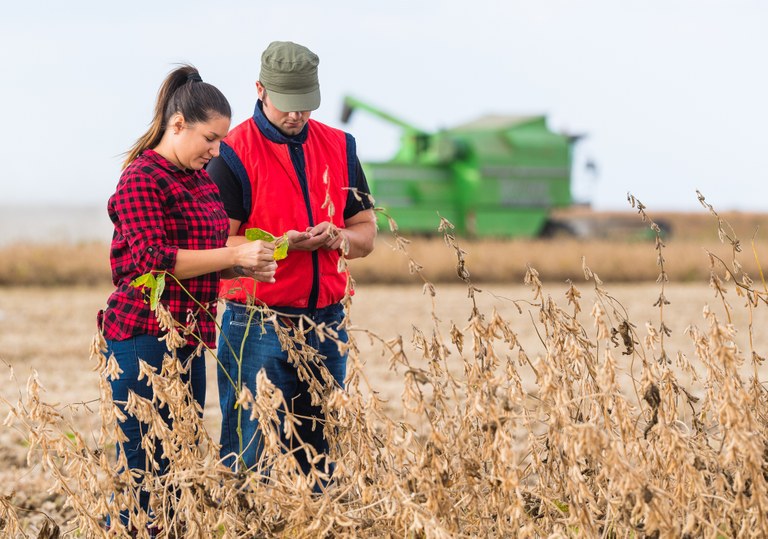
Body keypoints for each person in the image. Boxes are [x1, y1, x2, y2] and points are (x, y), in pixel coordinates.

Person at [97, 64, 277, 533]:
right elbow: (153, 260)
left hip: (191, 338)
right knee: (142, 471)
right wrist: (231, 254)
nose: (216, 151)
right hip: (142, 338)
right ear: (178, 125)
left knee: (178, 467)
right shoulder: (141, 178)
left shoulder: (200, 181)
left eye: (221, 141)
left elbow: (204, 255)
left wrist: (245, 265)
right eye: (210, 139)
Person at [206, 41, 376, 482]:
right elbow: (217, 245)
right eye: (287, 103)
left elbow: (366, 233)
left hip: (327, 323)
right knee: (249, 455)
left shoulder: (341, 146)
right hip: (255, 322)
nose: (297, 114)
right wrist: (284, 246)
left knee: (320, 459)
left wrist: (339, 237)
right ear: (260, 90)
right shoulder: (230, 153)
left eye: (306, 103)